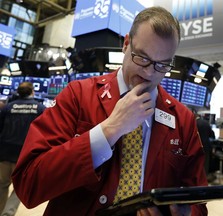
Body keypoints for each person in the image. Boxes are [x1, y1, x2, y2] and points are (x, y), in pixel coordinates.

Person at [11, 7, 208, 216]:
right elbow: (28, 184)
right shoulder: (78, 95)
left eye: (162, 65)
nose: (149, 72)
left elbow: (198, 203)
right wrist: (108, 131)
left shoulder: (183, 119)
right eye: (141, 57)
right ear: (125, 44)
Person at [0, 82, 46, 216]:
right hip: (25, 155)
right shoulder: (40, 108)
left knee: (2, 184)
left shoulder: (7, 107)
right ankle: (8, 213)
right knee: (21, 187)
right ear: (32, 91)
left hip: (4, 153)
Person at [196, 114, 215, 182]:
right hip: (206, 145)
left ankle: (197, 179)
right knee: (206, 161)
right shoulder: (206, 123)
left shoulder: (195, 123)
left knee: (197, 162)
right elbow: (212, 135)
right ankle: (204, 178)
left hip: (197, 145)